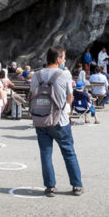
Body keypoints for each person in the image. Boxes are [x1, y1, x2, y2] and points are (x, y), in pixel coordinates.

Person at [30, 46, 83, 197]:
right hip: (60, 120)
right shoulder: (64, 74)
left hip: (41, 119)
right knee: (69, 152)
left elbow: (32, 94)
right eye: (64, 57)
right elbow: (70, 96)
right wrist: (66, 107)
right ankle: (76, 185)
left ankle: (50, 187)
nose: (64, 60)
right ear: (58, 59)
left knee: (45, 154)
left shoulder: (36, 75)